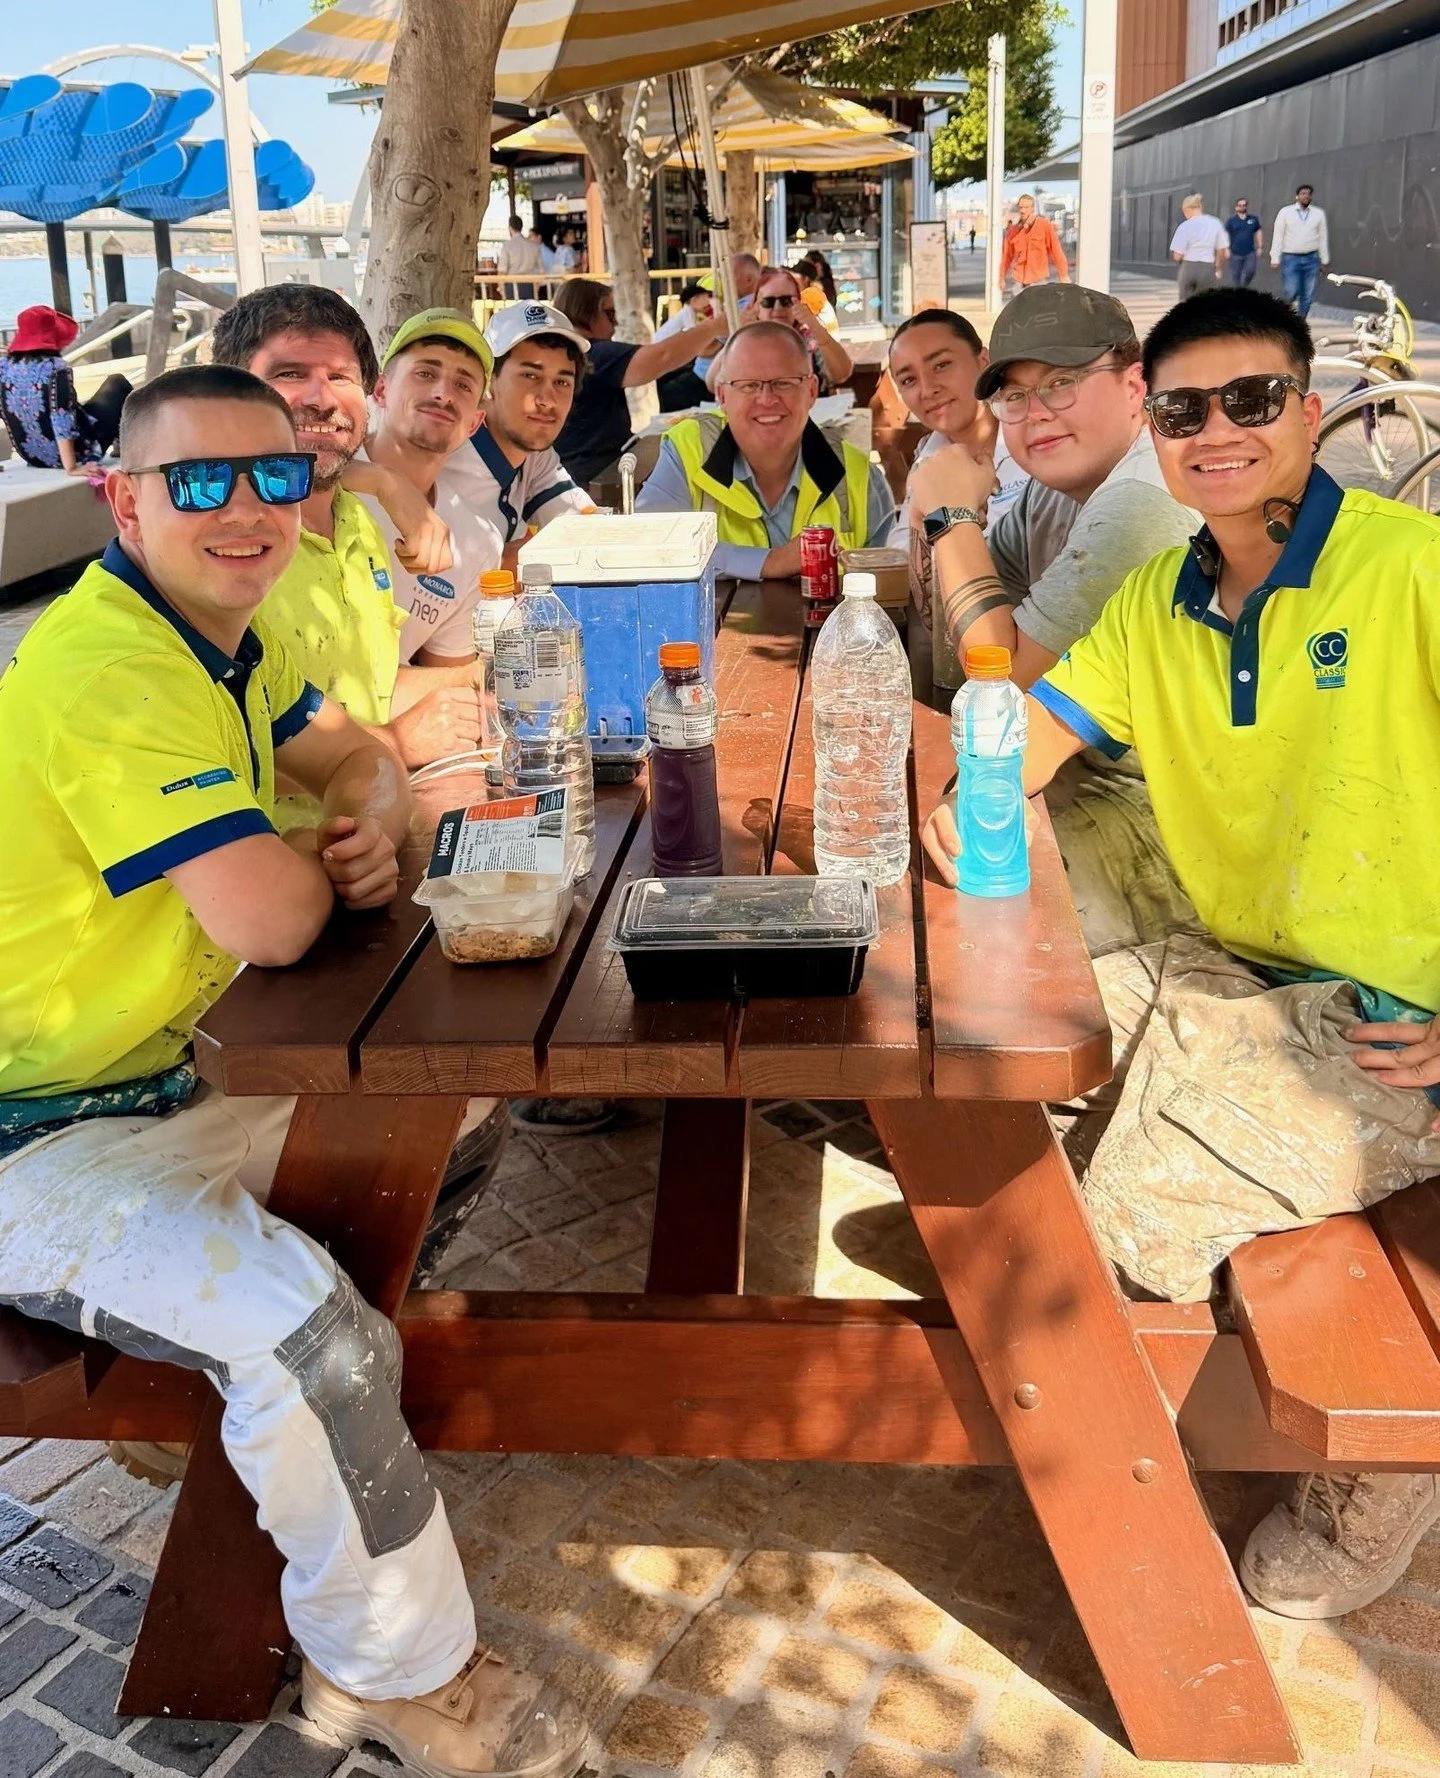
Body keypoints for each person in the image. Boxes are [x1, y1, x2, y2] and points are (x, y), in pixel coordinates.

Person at [0, 362, 589, 1778]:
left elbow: (362, 754)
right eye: (198, 482)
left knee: (448, 1116)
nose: (246, 508)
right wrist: (334, 850)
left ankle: (290, 1422)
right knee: (305, 1338)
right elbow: (269, 915)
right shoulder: (110, 666)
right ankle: (397, 1673)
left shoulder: (226, 637)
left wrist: (365, 818)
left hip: (162, 1080)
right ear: (119, 498)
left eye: (274, 474)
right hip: (35, 1138)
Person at [923, 285, 1440, 1621]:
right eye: (1184, 408)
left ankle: (1385, 1466)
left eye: (1252, 401)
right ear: (1153, 426)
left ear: (1309, 412)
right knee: (991, 1031)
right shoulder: (1161, 595)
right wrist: (959, 803)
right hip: (1238, 972)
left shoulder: (1410, 568)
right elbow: (1030, 733)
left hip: (1388, 1026)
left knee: (1083, 1250)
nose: (1216, 430)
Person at [909, 283, 1199, 954]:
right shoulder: (1051, 493)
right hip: (1065, 774)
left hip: (1164, 826)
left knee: (939, 929)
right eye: (1014, 395)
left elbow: (998, 674)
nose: (1035, 413)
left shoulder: (1140, 502)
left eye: (1062, 383)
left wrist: (949, 517)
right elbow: (965, 650)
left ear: (1136, 387)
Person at [211, 285, 483, 774]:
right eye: (289, 373)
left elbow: (364, 688)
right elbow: (208, 757)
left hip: (367, 817)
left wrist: (491, 676)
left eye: (340, 376)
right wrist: (395, 744)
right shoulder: (216, 537)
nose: (321, 399)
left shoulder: (355, 520)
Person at [636, 320, 893, 582]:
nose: (767, 399)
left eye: (784, 383)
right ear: (723, 397)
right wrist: (770, 562)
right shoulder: (689, 447)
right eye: (748, 385)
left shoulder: (859, 476)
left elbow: (889, 583)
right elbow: (650, 545)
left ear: (812, 390)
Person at [886, 310, 1027, 695]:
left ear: (984, 362)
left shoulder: (1033, 444)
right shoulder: (929, 458)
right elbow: (901, 551)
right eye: (909, 379)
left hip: (1029, 665)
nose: (927, 388)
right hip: (952, 660)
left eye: (942, 365)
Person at [355, 307, 494, 670]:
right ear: (381, 389)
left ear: (475, 423)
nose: (443, 394)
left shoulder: (477, 543)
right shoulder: (311, 480)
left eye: (463, 385)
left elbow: (445, 678)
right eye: (425, 373)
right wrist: (383, 482)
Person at [551, 277, 726, 487]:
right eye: (610, 314)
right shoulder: (592, 352)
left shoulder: (567, 350)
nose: (615, 323)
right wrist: (715, 326)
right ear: (586, 312)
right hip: (593, 476)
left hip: (586, 467)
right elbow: (661, 357)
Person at [465, 300, 596, 576]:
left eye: (562, 382)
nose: (547, 400)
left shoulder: (535, 455)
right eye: (530, 375)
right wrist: (501, 565)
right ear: (488, 381)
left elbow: (585, 529)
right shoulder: (449, 454)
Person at [0, 305, 130, 473]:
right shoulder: (56, 369)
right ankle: (122, 444)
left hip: (33, 457)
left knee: (91, 404)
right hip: (78, 453)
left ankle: (119, 442)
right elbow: (60, 418)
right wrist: (72, 467)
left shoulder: (3, 368)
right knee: (117, 383)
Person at [704, 266, 852, 398]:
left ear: (798, 304)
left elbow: (842, 374)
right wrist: (739, 333)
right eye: (768, 302)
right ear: (756, 307)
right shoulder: (745, 342)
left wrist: (815, 326)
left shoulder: (809, 339)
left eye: (786, 301)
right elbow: (712, 383)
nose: (778, 308)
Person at [653, 283, 717, 410]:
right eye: (707, 297)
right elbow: (695, 335)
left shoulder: (687, 313)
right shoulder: (688, 312)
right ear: (695, 299)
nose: (709, 302)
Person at [1271, 183, 1329, 317]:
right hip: (1291, 257)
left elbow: (1322, 237)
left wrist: (1324, 259)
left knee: (1307, 294)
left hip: (1312, 258)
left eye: (1308, 194)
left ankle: (1300, 322)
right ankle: (1283, 317)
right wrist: (1275, 257)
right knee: (1291, 291)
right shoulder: (1286, 212)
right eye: (1303, 194)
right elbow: (1278, 235)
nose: (1306, 197)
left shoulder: (1318, 214)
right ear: (1297, 196)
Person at [999, 194, 1069, 297]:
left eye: (1026, 207)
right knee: (1017, 312)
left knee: (1040, 312)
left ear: (1032, 208)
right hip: (1019, 283)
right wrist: (1001, 278)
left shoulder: (1044, 225)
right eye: (1021, 207)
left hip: (1038, 282)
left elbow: (1056, 251)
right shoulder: (1013, 231)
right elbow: (1006, 256)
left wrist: (1064, 275)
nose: (1023, 210)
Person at [1169, 193, 1228, 300]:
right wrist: (1218, 267)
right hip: (1207, 268)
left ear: (1187, 209)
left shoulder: (1184, 226)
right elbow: (1221, 249)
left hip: (1188, 268)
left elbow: (1177, 256)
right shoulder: (1215, 223)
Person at [497, 215, 545, 299]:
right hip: (530, 285)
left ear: (510, 228)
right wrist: (536, 286)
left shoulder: (507, 246)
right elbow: (541, 270)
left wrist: (501, 288)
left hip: (511, 285)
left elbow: (502, 271)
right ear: (521, 227)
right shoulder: (534, 246)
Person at [1224, 196, 1263, 287]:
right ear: (1236, 207)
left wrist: (1260, 247)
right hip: (1235, 252)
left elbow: (1258, 232)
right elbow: (1225, 234)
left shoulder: (1253, 219)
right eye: (1240, 205)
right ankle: (1238, 290)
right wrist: (1226, 249)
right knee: (1236, 274)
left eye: (1244, 205)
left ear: (1247, 207)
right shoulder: (1231, 221)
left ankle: (1245, 285)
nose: (1242, 207)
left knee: (1251, 271)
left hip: (1250, 252)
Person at [793, 261, 841, 334]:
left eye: (794, 277)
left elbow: (796, 320)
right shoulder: (813, 291)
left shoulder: (811, 294)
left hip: (824, 342)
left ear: (805, 279)